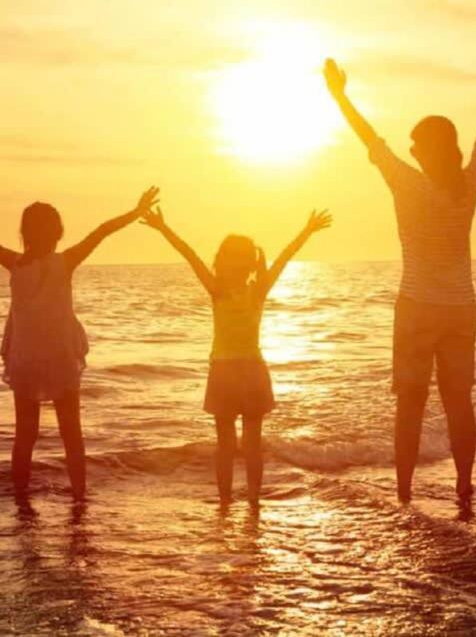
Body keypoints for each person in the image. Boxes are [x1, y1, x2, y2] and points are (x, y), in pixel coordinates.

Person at [323, 56, 476, 505]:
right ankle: (463, 484)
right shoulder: (467, 183)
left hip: (416, 306)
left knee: (410, 405)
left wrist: (339, 95)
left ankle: (403, 492)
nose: (409, 150)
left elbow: (369, 138)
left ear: (425, 149)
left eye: (414, 145)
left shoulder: (406, 183)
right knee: (459, 403)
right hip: (460, 309)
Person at [0, 187, 160, 500]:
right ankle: (79, 498)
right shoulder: (66, 261)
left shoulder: (14, 262)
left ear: (24, 233)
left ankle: (22, 500)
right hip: (59, 357)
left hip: (26, 360)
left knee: (25, 435)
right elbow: (101, 232)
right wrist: (136, 211)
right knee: (71, 432)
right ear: (58, 233)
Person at [140, 207, 332, 506]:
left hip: (227, 373)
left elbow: (191, 255)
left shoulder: (221, 290)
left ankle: (230, 503)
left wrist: (164, 228)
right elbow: (283, 258)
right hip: (250, 372)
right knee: (246, 445)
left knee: (229, 446)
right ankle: (248, 502)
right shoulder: (255, 290)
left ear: (223, 261)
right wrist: (306, 231)